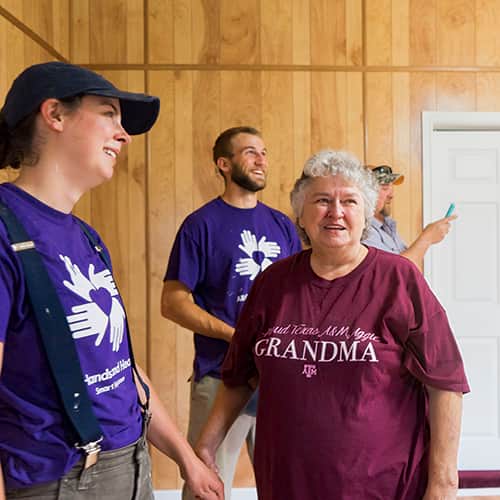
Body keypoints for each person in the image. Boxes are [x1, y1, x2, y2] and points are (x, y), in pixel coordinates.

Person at [0, 61, 223, 500]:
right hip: (59, 482)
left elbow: (119, 369)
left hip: (132, 463)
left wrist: (186, 458)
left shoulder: (86, 235)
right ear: (55, 115)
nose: (124, 135)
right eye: (108, 114)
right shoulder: (5, 232)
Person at [194, 150, 470, 500]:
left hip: (380, 484)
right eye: (322, 200)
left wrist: (444, 483)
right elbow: (238, 377)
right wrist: (205, 446)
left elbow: (446, 381)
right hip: (286, 482)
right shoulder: (272, 284)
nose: (335, 212)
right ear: (301, 213)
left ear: (367, 212)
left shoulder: (399, 280)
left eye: (349, 201)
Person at [161, 126, 302, 499]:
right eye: (250, 152)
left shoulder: (282, 225)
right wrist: (235, 336)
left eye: (264, 152)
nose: (261, 160)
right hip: (220, 374)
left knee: (288, 480)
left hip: (278, 375)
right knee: (206, 482)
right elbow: (173, 303)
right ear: (223, 164)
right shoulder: (200, 225)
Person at [362, 164, 457, 265]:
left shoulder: (387, 226)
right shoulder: (364, 231)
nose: (391, 195)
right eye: (385, 188)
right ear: (366, 193)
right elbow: (397, 270)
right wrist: (427, 237)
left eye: (391, 187)